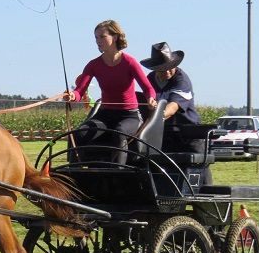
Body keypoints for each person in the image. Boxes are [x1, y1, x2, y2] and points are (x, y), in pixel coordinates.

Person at [64, 19, 156, 165]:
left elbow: (148, 88)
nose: (98, 41)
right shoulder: (93, 65)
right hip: (105, 115)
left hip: (129, 115)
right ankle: (74, 174)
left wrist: (151, 98)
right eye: (96, 37)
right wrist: (72, 96)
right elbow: (80, 90)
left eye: (102, 36)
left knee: (119, 132)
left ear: (115, 37)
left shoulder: (129, 62)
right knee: (77, 134)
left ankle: (118, 173)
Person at [139, 42, 202, 154]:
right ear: (155, 69)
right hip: (163, 133)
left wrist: (154, 120)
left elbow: (172, 108)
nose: (167, 72)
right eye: (162, 69)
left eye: (170, 67)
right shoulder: (150, 79)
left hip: (186, 135)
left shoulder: (182, 80)